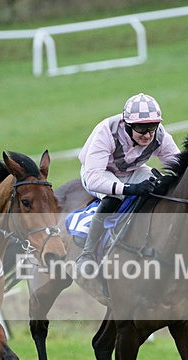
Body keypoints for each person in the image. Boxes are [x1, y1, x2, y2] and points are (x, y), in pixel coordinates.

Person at [75, 93, 181, 274]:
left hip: (132, 170)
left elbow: (179, 164)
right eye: (141, 128)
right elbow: (94, 178)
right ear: (128, 124)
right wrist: (130, 189)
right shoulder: (106, 131)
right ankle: (87, 253)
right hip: (98, 172)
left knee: (160, 190)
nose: (147, 135)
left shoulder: (160, 134)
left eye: (152, 127)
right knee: (114, 197)